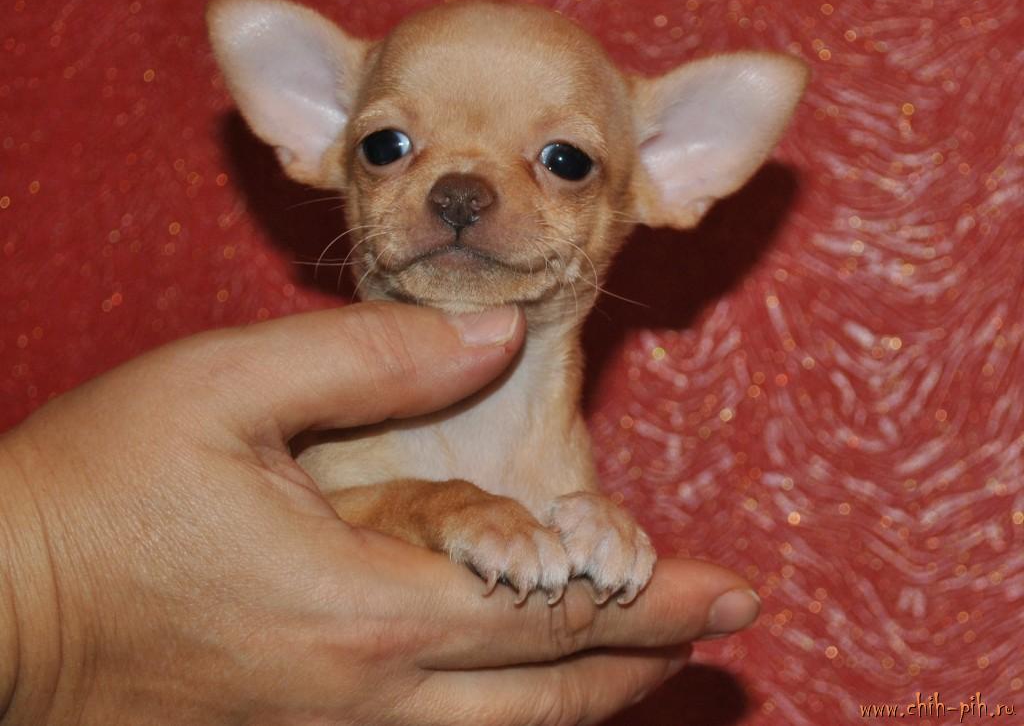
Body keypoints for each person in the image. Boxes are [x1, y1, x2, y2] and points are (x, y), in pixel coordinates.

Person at [0, 302, 760, 725]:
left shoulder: (570, 485)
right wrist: (45, 599)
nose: (462, 193)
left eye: (564, 163)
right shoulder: (319, 447)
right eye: (389, 147)